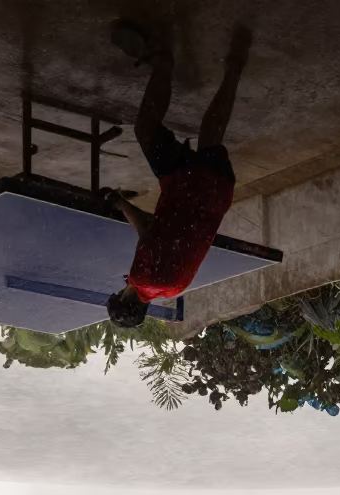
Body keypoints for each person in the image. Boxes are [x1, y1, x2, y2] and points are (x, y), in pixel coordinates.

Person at [104, 21, 252, 328]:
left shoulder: (173, 290)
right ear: (123, 297)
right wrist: (119, 203)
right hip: (186, 187)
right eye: (119, 294)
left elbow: (160, 237)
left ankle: (234, 70)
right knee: (145, 128)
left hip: (213, 194)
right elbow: (147, 227)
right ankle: (162, 63)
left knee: (212, 133)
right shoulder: (141, 278)